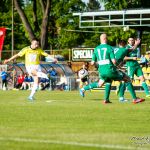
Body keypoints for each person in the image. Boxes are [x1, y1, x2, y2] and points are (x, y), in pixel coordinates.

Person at [79, 33, 144, 104]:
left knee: (102, 83)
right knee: (127, 79)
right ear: (105, 39)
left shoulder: (96, 49)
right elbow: (114, 61)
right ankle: (134, 99)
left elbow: (92, 63)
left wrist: (100, 66)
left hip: (101, 70)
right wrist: (137, 44)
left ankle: (84, 89)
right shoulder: (111, 48)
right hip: (110, 69)